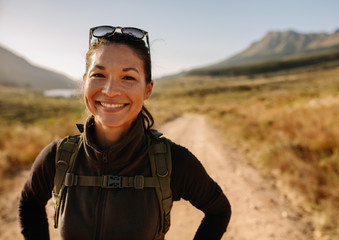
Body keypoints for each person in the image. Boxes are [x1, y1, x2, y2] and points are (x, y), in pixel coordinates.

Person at [19, 25, 231, 240]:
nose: (110, 90)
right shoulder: (57, 157)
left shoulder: (174, 162)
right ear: (85, 82)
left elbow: (219, 211)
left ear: (147, 89)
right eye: (99, 74)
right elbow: (29, 204)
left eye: (128, 78)